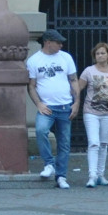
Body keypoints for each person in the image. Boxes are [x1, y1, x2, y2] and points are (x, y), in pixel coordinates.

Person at [27, 29, 79, 189]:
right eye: (58, 42)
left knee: (64, 142)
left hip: (65, 105)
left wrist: (76, 102)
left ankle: (61, 176)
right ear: (47, 42)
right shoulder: (34, 60)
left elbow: (74, 80)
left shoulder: (66, 57)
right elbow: (31, 86)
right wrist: (39, 104)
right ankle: (49, 164)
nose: (61, 45)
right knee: (41, 131)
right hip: (47, 107)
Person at [79, 42, 108, 187]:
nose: (100, 55)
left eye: (103, 53)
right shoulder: (88, 71)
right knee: (93, 143)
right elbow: (78, 88)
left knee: (104, 144)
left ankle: (100, 174)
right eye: (97, 53)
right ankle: (92, 175)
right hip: (91, 112)